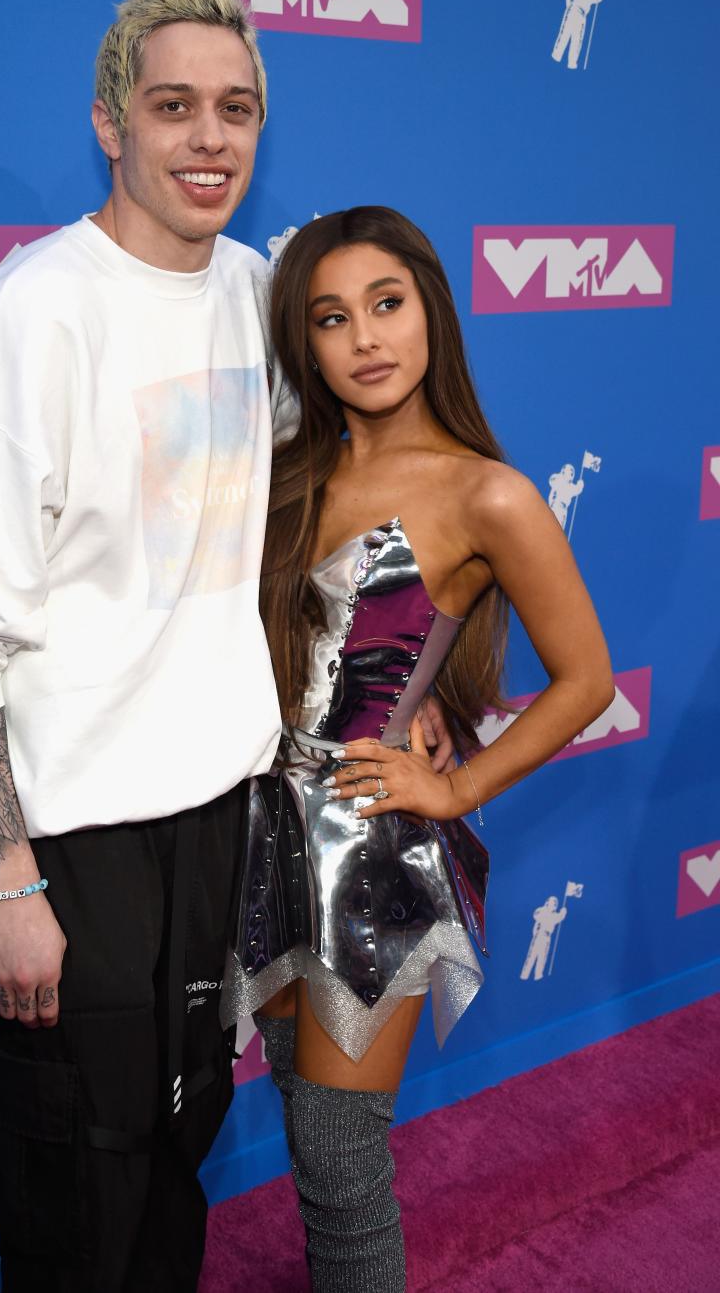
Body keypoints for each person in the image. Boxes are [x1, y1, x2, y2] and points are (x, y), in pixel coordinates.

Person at [0, 0, 289, 1292]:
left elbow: (321, 514)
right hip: (79, 840)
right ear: (112, 124)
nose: (209, 139)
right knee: (73, 1192)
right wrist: (7, 876)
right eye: (174, 107)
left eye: (235, 109)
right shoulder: (37, 312)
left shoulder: (260, 295)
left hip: (220, 816)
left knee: (178, 1153)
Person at [220, 206, 614, 1291]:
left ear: (431, 309)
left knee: (343, 1159)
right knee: (309, 1130)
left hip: (369, 852)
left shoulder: (489, 492)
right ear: (306, 344)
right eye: (332, 317)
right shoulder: (286, 469)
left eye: (387, 303)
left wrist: (455, 787)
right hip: (256, 828)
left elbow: (587, 680)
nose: (366, 337)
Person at [551, 0, 604, 70]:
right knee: (565, 33)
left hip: (582, 16)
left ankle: (572, 62)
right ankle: (557, 54)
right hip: (573, 9)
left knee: (577, 39)